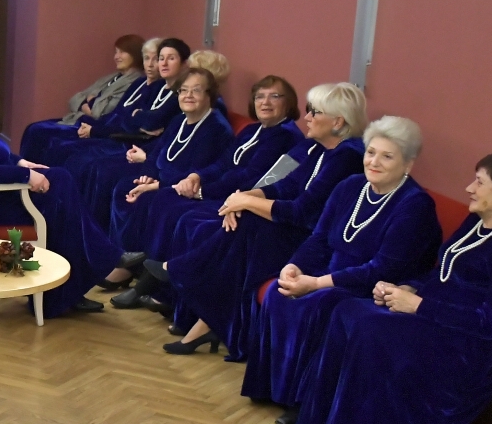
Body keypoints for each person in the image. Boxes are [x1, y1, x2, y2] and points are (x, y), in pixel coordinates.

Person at [297, 153, 492, 424]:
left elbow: (491, 323)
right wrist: (407, 288)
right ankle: (319, 423)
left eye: (479, 183)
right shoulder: (477, 221)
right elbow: (443, 274)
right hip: (436, 316)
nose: (469, 188)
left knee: (371, 329)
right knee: (348, 311)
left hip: (468, 343)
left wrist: (418, 306)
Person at [242, 116, 441, 424]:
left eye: (387, 156)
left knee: (323, 304)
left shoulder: (415, 205)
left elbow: (381, 268)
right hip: (329, 273)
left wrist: (316, 283)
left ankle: (307, 407)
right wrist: (294, 266)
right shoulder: (349, 186)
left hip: (374, 287)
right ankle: (280, 392)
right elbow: (319, 239)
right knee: (279, 291)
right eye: (371, 152)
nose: (374, 162)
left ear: (408, 164)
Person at [160, 82, 368, 357]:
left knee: (248, 229)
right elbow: (282, 187)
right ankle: (203, 313)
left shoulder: (347, 157)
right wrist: (241, 198)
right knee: (243, 226)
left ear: (338, 122)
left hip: (314, 240)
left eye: (314, 112)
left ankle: (186, 278)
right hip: (292, 227)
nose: (306, 117)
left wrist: (247, 203)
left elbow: (302, 211)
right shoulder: (316, 148)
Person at [0, 50, 120, 317]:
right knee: (60, 188)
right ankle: (83, 275)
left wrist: (21, 163)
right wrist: (26, 177)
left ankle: (72, 285)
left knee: (60, 184)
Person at [104, 76, 303, 297]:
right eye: (259, 97)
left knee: (176, 210)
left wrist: (202, 191)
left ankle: (161, 291)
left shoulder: (285, 135)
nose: (265, 102)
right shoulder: (252, 130)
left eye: (274, 96)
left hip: (243, 198)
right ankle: (144, 277)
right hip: (224, 191)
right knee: (160, 198)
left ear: (289, 102)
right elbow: (223, 163)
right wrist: (196, 176)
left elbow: (251, 177)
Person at [101, 67, 236, 286]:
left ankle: (143, 274)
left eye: (196, 90)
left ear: (209, 96)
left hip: (187, 188)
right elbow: (157, 156)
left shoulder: (216, 128)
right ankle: (125, 262)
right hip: (163, 180)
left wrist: (157, 185)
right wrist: (148, 177)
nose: (188, 95)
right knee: (124, 187)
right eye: (184, 90)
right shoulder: (178, 121)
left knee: (150, 199)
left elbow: (196, 173)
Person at [40, 37, 191, 193]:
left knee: (93, 166)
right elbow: (130, 118)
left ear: (183, 64)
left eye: (170, 58)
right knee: (68, 154)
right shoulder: (156, 86)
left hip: (133, 144)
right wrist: (139, 117)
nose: (162, 63)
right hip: (120, 136)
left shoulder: (179, 95)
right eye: (161, 58)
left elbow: (149, 122)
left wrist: (138, 117)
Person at [18, 34, 145, 162]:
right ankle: (26, 169)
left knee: (41, 133)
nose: (116, 56)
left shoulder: (136, 83)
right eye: (116, 52)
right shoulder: (111, 78)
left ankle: (39, 171)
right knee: (33, 128)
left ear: (134, 54)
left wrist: (89, 102)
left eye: (122, 52)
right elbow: (74, 99)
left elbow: (98, 112)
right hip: (77, 119)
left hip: (92, 126)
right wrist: (87, 103)